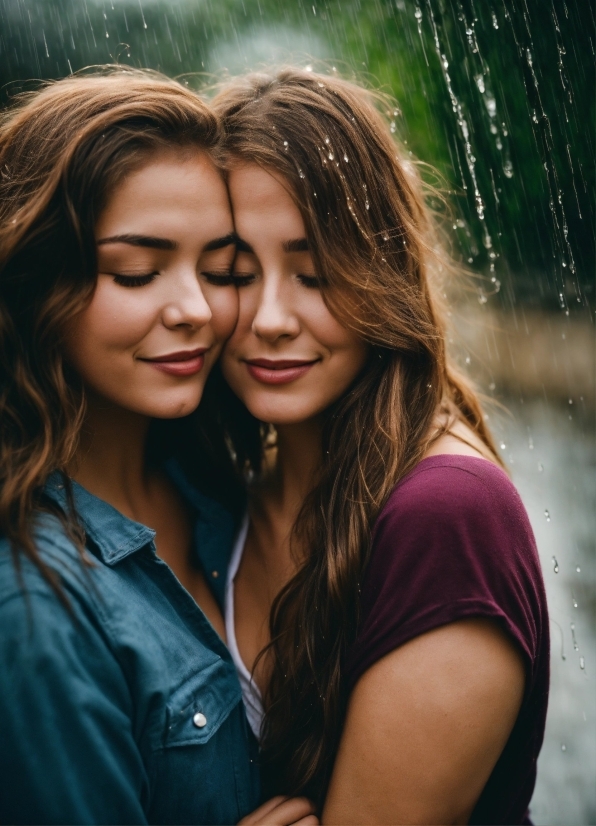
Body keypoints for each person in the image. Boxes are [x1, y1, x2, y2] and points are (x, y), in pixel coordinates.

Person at [209, 68, 550, 824]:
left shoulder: (448, 516)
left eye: (315, 273)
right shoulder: (228, 486)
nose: (269, 317)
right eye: (234, 271)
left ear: (381, 269)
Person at [0, 68, 316, 826]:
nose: (198, 310)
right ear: (35, 285)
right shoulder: (32, 608)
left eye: (220, 270)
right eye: (137, 272)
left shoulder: (220, 485)